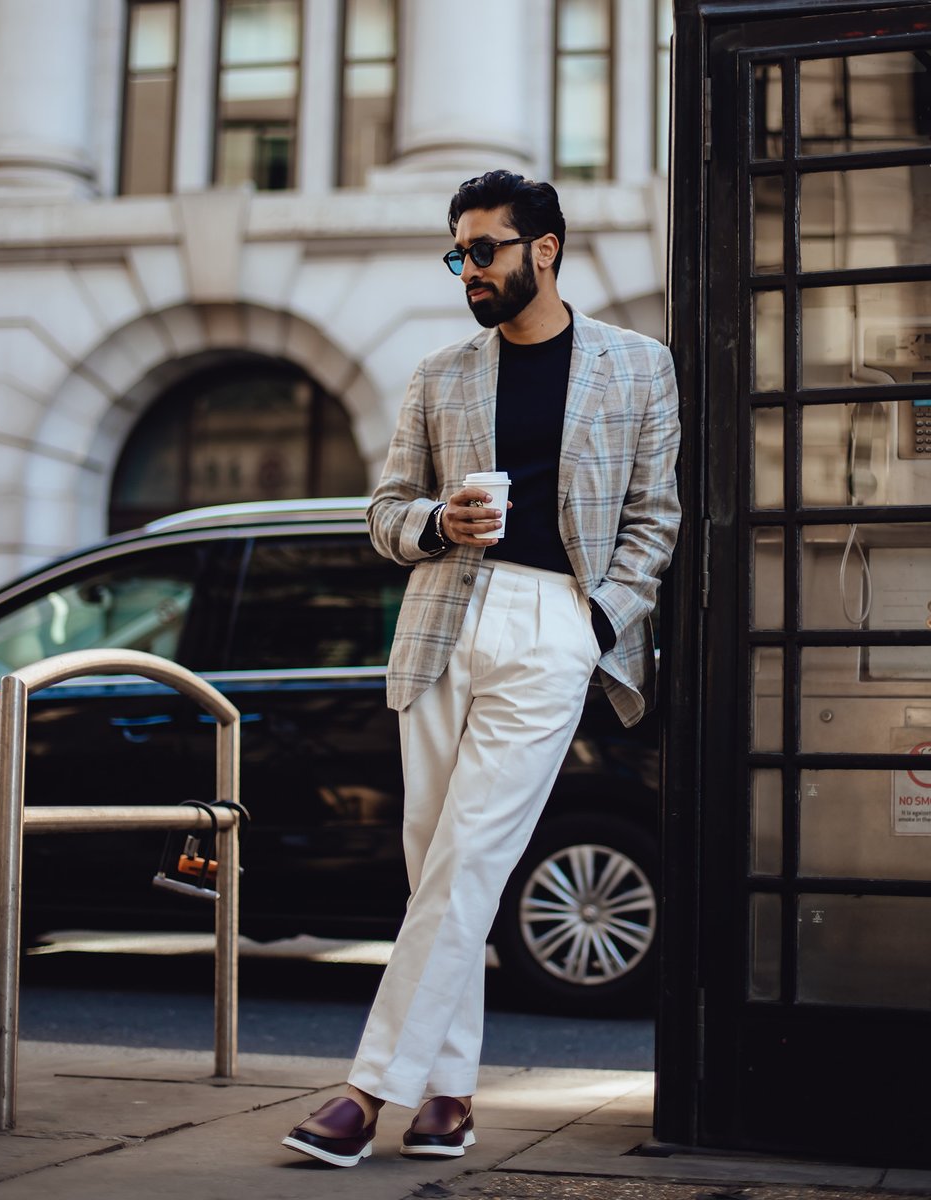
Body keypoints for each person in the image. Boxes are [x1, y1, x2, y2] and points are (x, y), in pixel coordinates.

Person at [281, 169, 681, 1166]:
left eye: (485, 250)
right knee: (437, 864)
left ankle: (368, 1091)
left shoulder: (638, 367)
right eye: (457, 253)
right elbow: (383, 511)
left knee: (469, 859)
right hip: (441, 618)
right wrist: (435, 523)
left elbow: (654, 521)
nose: (469, 269)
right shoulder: (439, 374)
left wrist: (592, 622)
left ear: (544, 248)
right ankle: (450, 1096)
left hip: (555, 623)